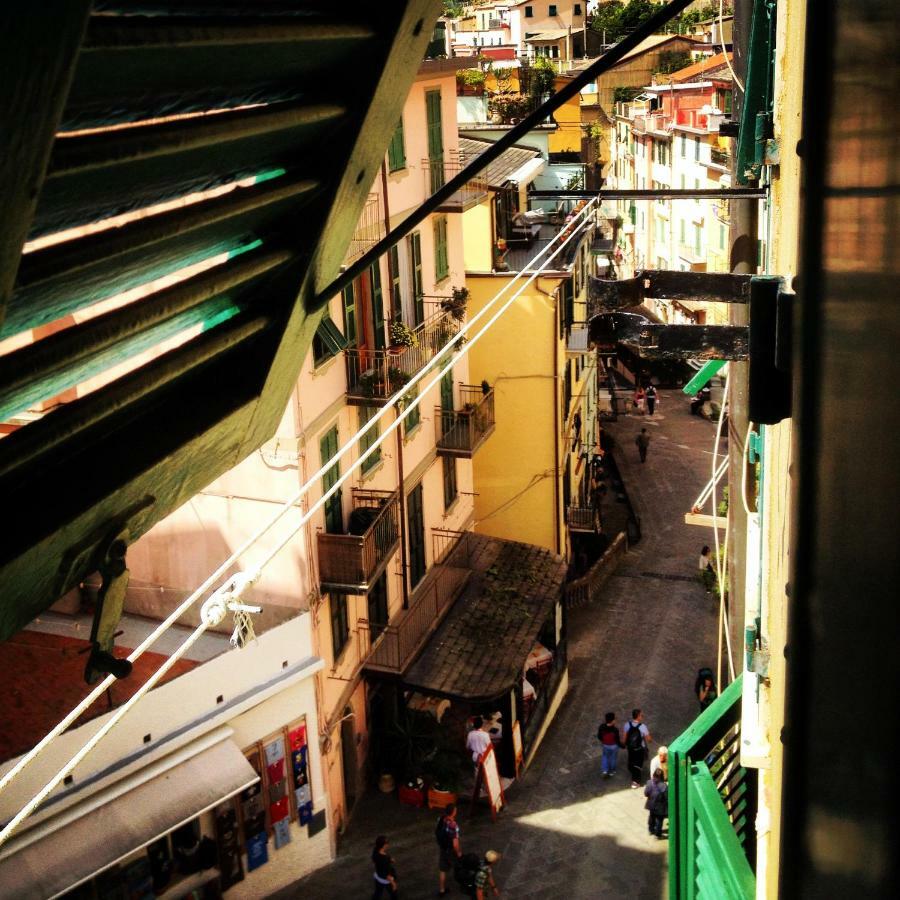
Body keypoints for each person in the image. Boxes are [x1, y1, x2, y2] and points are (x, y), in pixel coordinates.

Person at [436, 803, 462, 897]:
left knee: (442, 869)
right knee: (458, 866)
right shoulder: (453, 825)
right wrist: (459, 853)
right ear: (453, 812)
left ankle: (442, 890)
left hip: (443, 848)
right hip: (450, 850)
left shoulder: (441, 819)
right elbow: (455, 844)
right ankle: (463, 883)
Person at [623, 708, 653, 787]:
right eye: (641, 715)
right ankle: (635, 781)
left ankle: (632, 771)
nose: (642, 717)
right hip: (639, 749)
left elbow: (625, 738)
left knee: (631, 761)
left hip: (630, 748)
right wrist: (650, 738)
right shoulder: (643, 727)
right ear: (638, 717)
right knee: (638, 765)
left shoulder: (627, 725)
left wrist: (625, 745)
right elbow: (649, 739)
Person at [644, 768, 668, 838]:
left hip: (651, 804)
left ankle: (650, 830)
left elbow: (646, 793)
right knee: (659, 820)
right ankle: (657, 834)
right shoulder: (664, 786)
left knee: (651, 817)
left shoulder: (649, 782)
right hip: (660, 806)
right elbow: (667, 798)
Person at [597, 711, 622, 778]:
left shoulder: (601, 727)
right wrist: (622, 746)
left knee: (605, 757)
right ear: (612, 721)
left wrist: (603, 741)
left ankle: (605, 770)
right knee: (613, 758)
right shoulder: (615, 730)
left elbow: (599, 736)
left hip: (605, 745)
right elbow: (617, 740)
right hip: (614, 746)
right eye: (614, 719)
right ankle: (612, 771)